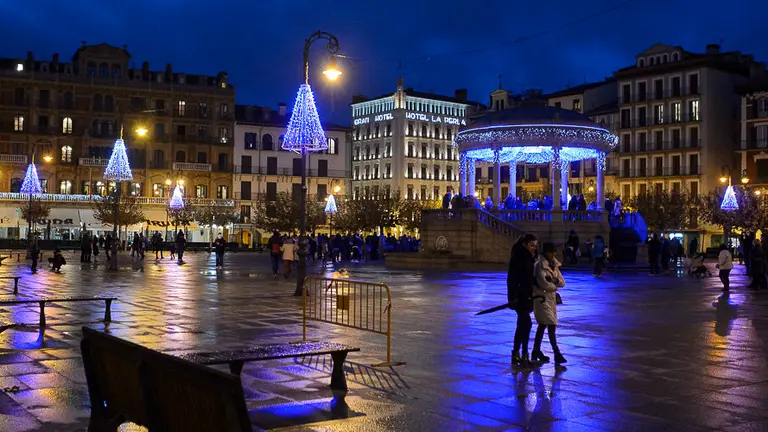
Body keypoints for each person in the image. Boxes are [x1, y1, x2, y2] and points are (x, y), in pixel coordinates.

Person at [532, 242, 567, 365]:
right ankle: (557, 353)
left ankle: (536, 350)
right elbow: (543, 283)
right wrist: (554, 285)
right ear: (546, 252)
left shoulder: (554, 265)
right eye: (552, 252)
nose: (554, 254)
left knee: (543, 324)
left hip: (551, 300)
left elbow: (562, 282)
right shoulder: (539, 265)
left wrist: (553, 280)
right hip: (541, 298)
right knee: (551, 323)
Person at [507, 233, 538, 368]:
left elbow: (531, 278)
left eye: (535, 246)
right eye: (531, 245)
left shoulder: (531, 258)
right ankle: (523, 354)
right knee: (526, 324)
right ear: (525, 244)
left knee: (522, 325)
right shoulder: (518, 257)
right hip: (520, 297)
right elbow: (511, 279)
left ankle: (516, 354)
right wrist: (512, 297)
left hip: (528, 296)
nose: (533, 248)